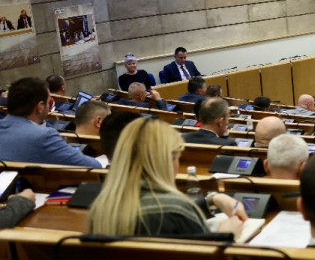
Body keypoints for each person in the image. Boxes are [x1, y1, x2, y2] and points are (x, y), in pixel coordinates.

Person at [87, 118, 246, 237]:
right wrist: (227, 235)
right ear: (165, 161)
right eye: (177, 158)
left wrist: (211, 200)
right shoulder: (176, 211)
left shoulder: (102, 205)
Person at [0, 77, 101, 167]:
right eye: (49, 102)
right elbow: (93, 166)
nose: (49, 106)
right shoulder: (44, 136)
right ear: (40, 107)